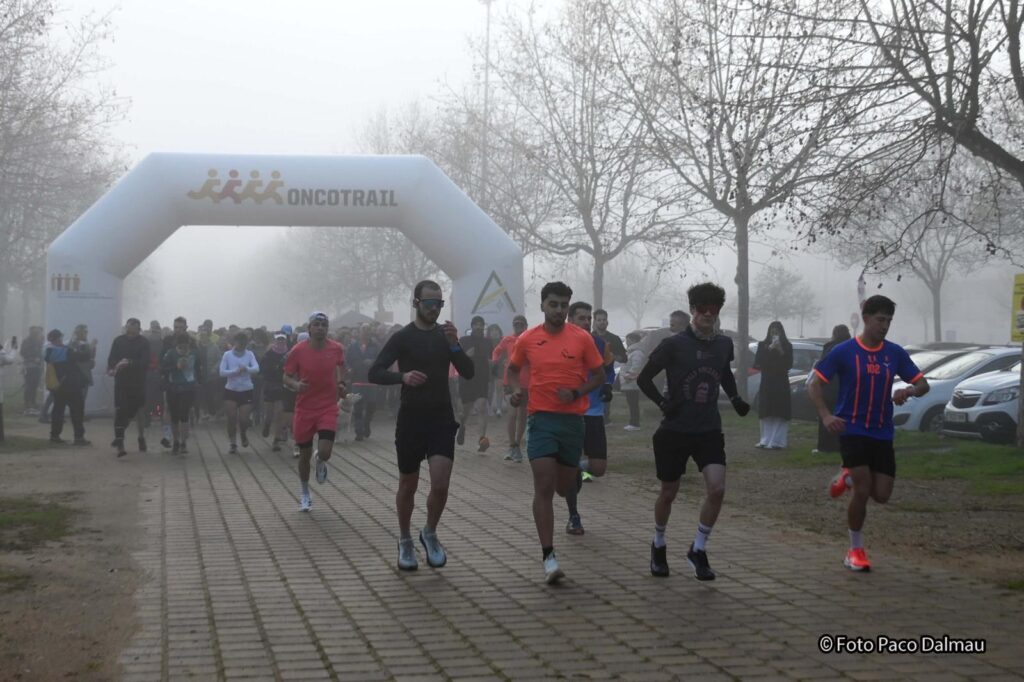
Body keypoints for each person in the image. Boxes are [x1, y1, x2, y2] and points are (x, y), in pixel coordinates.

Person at [637, 283, 751, 581]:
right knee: (668, 493)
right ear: (692, 310)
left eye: (714, 310)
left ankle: (698, 549)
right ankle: (658, 544)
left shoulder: (723, 344)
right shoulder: (674, 344)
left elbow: (724, 373)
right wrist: (663, 403)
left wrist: (735, 398)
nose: (708, 315)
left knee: (717, 489)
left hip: (708, 429)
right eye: (703, 310)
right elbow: (643, 379)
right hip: (675, 430)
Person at [808, 295, 928, 572]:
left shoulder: (894, 353)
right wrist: (826, 416)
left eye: (889, 321)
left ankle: (846, 475)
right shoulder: (844, 351)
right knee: (862, 490)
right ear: (865, 318)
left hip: (882, 432)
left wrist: (909, 390)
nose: (884, 326)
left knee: (882, 494)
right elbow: (813, 384)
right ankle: (855, 550)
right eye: (880, 320)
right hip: (851, 428)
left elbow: (923, 385)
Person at [369, 280, 474, 571]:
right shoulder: (403, 337)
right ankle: (404, 539)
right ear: (416, 303)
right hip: (411, 419)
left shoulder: (445, 336)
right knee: (408, 485)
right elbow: (374, 372)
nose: (434, 308)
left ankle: (429, 532)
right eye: (429, 303)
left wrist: (455, 345)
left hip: (441, 418)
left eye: (439, 303)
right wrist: (402, 377)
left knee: (440, 484)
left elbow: (468, 372)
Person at [507, 282, 605, 584]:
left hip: (572, 422)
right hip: (541, 420)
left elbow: (599, 375)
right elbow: (513, 369)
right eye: (553, 304)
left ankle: (575, 473)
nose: (559, 310)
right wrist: (515, 391)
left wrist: (576, 392)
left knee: (564, 487)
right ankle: (549, 556)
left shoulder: (582, 338)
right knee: (544, 485)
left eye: (563, 305)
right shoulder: (528, 338)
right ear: (542, 306)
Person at [283, 312, 346, 512]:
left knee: (325, 451)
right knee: (304, 455)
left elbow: (340, 366)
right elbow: (286, 376)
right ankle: (305, 494)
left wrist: (341, 384)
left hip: (327, 406)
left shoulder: (336, 348)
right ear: (309, 328)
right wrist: (296, 385)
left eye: (324, 325)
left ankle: (321, 460)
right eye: (316, 324)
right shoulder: (298, 350)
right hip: (305, 408)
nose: (320, 328)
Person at [562, 301, 614, 536]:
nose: (586, 322)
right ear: (570, 320)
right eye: (581, 318)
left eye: (588, 318)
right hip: (570, 413)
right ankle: (574, 516)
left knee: (598, 468)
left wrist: (608, 385)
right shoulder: (561, 343)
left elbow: (609, 370)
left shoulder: (599, 343)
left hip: (594, 412)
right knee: (572, 471)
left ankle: (573, 467)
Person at [107, 318, 152, 456]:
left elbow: (145, 362)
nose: (131, 330)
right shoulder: (118, 341)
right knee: (120, 410)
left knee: (135, 411)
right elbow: (111, 359)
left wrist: (130, 363)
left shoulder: (144, 342)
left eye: (134, 328)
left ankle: (140, 437)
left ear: (139, 329)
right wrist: (114, 367)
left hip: (137, 383)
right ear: (126, 327)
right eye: (129, 327)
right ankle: (120, 441)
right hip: (121, 382)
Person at [44, 328, 92, 445]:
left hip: (58, 385)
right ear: (58, 338)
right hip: (72, 385)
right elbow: (84, 356)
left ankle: (54, 435)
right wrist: (89, 345)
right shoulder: (66, 350)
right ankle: (79, 437)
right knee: (77, 411)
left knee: (58, 411)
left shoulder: (48, 351)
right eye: (60, 337)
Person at [492, 315, 530, 462]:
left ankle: (518, 445)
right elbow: (496, 351)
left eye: (521, 324)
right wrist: (496, 362)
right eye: (516, 324)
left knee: (522, 414)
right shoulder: (507, 339)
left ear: (526, 326)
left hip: (526, 381)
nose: (518, 326)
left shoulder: (530, 339)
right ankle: (511, 445)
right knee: (512, 413)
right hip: (509, 380)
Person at [753, 321, 793, 449]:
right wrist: (769, 348)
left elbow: (789, 364)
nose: (774, 333)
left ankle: (777, 441)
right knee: (766, 411)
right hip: (767, 382)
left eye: (777, 331)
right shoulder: (762, 345)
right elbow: (757, 363)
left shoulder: (787, 346)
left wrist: (780, 350)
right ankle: (765, 440)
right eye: (772, 330)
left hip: (781, 383)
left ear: (781, 332)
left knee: (779, 411)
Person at [456, 315, 494, 452]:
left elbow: (492, 359)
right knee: (465, 411)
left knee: (482, 406)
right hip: (467, 379)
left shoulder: (488, 342)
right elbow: (456, 359)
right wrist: (466, 355)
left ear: (483, 327)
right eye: (476, 324)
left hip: (482, 379)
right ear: (471, 326)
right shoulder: (463, 340)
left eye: (481, 324)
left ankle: (481, 439)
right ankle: (462, 426)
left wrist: (491, 364)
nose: (478, 326)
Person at [219, 332, 260, 454]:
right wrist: (235, 371)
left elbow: (256, 368)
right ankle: (233, 443)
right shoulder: (227, 355)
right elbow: (222, 372)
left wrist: (247, 369)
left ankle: (243, 432)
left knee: (244, 419)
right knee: (231, 418)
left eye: (243, 343)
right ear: (234, 343)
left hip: (246, 390)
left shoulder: (250, 354)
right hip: (231, 390)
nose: (241, 345)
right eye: (239, 343)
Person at [814, 324, 852, 454]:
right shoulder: (851, 347)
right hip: (846, 388)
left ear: (834, 334)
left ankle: (825, 446)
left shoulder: (830, 348)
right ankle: (842, 445)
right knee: (844, 418)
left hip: (829, 386)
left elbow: (822, 367)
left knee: (826, 417)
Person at [162, 333, 202, 454]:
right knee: (174, 415)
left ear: (189, 344)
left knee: (184, 413)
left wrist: (199, 382)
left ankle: (183, 442)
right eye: (181, 346)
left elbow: (198, 368)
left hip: (188, 387)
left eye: (185, 346)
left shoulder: (195, 353)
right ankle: (175, 441)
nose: (183, 349)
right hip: (173, 387)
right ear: (177, 344)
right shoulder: (170, 353)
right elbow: (163, 368)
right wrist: (176, 366)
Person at [159, 317, 195, 448]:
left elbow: (197, 360)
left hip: (187, 381)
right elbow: (162, 359)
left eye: (180, 327)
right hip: (170, 379)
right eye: (175, 327)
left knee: (186, 410)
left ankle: (184, 436)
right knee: (168, 408)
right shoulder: (168, 340)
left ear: (186, 327)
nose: (178, 330)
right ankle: (168, 436)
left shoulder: (192, 341)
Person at [346, 323, 379, 441]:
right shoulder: (353, 347)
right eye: (363, 330)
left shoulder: (375, 346)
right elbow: (347, 361)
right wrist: (349, 369)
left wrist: (373, 362)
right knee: (358, 406)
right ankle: (359, 431)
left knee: (371, 406)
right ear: (359, 332)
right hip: (357, 380)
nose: (365, 332)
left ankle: (366, 423)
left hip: (371, 380)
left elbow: (382, 360)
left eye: (368, 330)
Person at [593, 309, 626, 424]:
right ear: (595, 322)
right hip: (592, 373)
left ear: (607, 322)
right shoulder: (589, 337)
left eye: (604, 320)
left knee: (605, 397)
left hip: (608, 373)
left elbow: (624, 358)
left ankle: (605, 420)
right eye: (599, 320)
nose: (602, 322)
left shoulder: (614, 339)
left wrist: (612, 355)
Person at [260, 332, 290, 449]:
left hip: (283, 385)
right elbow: (262, 370)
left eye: (283, 339)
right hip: (270, 385)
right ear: (275, 341)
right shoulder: (268, 354)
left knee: (280, 412)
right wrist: (273, 370)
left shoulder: (290, 353)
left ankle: (276, 440)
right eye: (279, 339)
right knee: (269, 414)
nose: (281, 341)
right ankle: (267, 425)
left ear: (285, 341)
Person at [619, 331, 646, 431]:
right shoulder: (632, 352)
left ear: (634, 340)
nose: (627, 342)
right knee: (631, 404)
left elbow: (636, 366)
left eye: (628, 340)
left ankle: (635, 424)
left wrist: (628, 376)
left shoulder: (637, 352)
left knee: (633, 404)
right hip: (629, 383)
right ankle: (633, 422)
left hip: (632, 382)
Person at [19, 326, 44, 415]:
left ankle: (33, 402)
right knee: (29, 385)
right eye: (34, 332)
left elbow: (41, 352)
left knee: (35, 385)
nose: (36, 333)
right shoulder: (26, 341)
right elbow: (22, 352)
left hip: (37, 366)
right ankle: (27, 403)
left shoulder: (39, 341)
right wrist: (32, 357)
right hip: (29, 366)